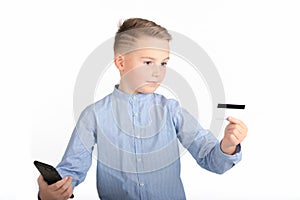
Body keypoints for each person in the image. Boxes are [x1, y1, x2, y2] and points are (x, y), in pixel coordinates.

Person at [37, 18, 248, 200]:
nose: (158, 72)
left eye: (164, 63)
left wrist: (227, 145)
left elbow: (212, 159)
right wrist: (50, 192)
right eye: (148, 62)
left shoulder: (171, 111)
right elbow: (70, 172)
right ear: (121, 62)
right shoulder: (93, 116)